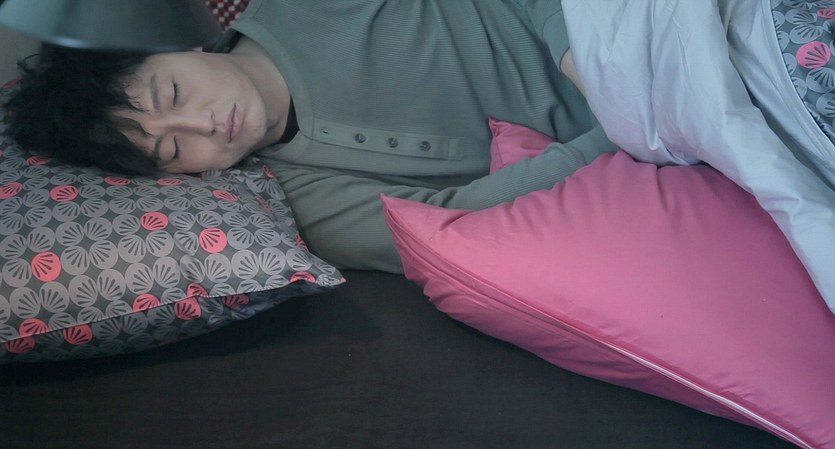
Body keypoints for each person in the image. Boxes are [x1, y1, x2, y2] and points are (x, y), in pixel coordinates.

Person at [4, 0, 616, 273]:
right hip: (625, 156)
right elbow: (452, 223)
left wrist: (585, 55)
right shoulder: (301, 200)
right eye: (173, 149)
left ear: (181, 44)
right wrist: (616, 138)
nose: (203, 126)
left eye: (173, 94)